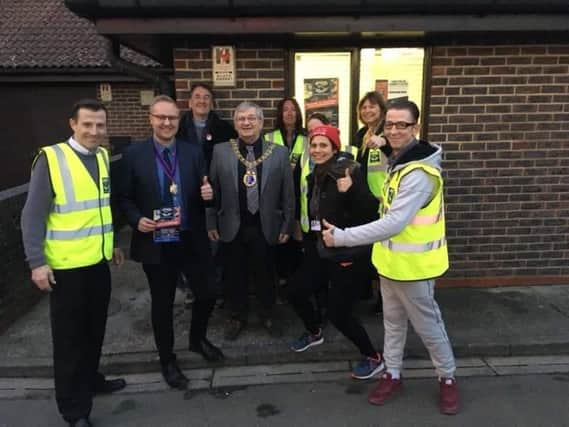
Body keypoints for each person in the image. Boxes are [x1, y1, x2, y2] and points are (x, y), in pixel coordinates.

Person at [322, 100, 459, 415]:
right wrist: (383, 148)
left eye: (402, 125)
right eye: (391, 125)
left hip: (415, 269)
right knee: (393, 324)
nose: (394, 130)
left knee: (429, 327)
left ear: (416, 128)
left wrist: (342, 237)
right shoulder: (399, 162)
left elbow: (394, 223)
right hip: (389, 264)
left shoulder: (420, 173)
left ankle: (447, 378)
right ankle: (392, 373)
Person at [21, 99, 126, 427]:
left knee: (94, 331)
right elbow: (32, 215)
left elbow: (101, 209)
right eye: (88, 125)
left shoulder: (103, 157)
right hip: (66, 270)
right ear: (73, 125)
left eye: (100, 125)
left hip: (97, 263)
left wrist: (114, 245)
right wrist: (37, 262)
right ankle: (74, 409)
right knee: (69, 340)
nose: (95, 131)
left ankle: (91, 380)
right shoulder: (51, 159)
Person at [119, 95, 224, 392]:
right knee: (163, 304)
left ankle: (197, 339)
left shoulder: (192, 153)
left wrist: (209, 195)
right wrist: (136, 219)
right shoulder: (133, 154)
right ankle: (167, 359)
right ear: (150, 119)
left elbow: (206, 191)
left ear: (179, 121)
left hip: (190, 238)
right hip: (156, 240)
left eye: (172, 118)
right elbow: (124, 197)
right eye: (161, 117)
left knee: (207, 292)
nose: (166, 123)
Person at [288, 125, 384, 380]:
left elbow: (369, 213)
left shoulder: (348, 172)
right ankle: (314, 331)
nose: (318, 150)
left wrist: (352, 191)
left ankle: (373, 357)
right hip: (322, 249)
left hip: (347, 254)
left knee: (339, 313)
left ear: (334, 148)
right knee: (296, 290)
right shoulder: (316, 174)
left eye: (324, 145)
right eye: (315, 145)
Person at [207, 101, 295, 341]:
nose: (246, 123)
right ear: (235, 124)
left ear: (261, 122)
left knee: (266, 273)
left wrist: (288, 223)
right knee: (234, 275)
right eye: (240, 119)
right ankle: (236, 316)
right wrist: (211, 222)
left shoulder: (278, 153)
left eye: (251, 118)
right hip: (232, 225)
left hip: (265, 225)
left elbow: (288, 193)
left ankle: (268, 314)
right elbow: (212, 190)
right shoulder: (221, 151)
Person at [176, 83, 237, 305]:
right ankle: (192, 288)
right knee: (189, 242)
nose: (202, 101)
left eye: (206, 97)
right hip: (185, 194)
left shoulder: (224, 129)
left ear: (212, 102)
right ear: (189, 102)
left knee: (215, 242)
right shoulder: (178, 127)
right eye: (197, 97)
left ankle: (215, 288)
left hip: (217, 195)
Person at [353, 91, 391, 312]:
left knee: (382, 251)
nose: (367, 110)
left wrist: (384, 141)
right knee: (369, 250)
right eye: (364, 107)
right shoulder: (362, 135)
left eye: (372, 106)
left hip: (383, 203)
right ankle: (367, 291)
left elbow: (394, 153)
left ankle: (385, 300)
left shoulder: (387, 132)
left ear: (381, 109)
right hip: (366, 201)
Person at [264, 98, 307, 285]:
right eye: (285, 110)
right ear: (280, 114)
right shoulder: (269, 138)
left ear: (298, 114)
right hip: (277, 196)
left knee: (297, 237)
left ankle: (295, 278)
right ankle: (280, 278)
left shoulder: (307, 138)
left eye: (293, 110)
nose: (289, 113)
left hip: (299, 195)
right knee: (279, 237)